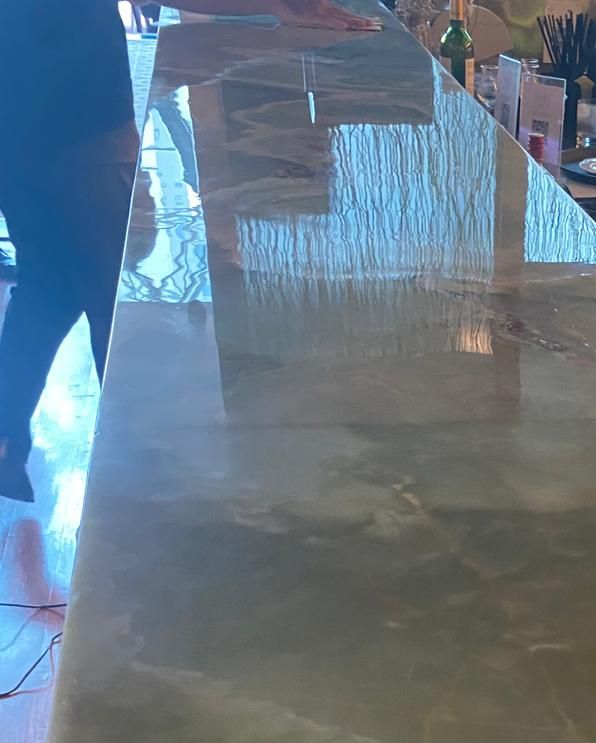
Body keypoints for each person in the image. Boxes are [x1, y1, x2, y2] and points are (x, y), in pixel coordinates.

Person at [0, 0, 377, 503]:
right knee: (111, 306)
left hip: (23, 115)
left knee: (51, 284)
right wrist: (276, 4)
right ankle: (143, 495)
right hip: (76, 119)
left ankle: (9, 441)